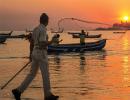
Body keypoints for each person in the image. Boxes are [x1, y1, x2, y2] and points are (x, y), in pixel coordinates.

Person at [12, 13, 59, 100]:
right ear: (46, 21)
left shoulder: (35, 29)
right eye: (48, 21)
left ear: (40, 20)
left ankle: (18, 91)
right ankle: (48, 95)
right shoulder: (43, 29)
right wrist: (52, 41)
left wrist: (31, 54)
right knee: (46, 75)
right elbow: (42, 44)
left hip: (35, 52)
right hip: (41, 53)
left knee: (32, 74)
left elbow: (32, 42)